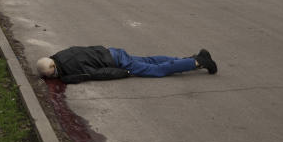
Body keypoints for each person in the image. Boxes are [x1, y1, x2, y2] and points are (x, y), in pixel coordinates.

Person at [36, 45, 217, 84]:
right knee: (150, 60)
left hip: (116, 62)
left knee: (156, 70)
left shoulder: (69, 71)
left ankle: (198, 62)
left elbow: (99, 74)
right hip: (112, 52)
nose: (53, 78)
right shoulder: (60, 54)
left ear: (53, 68)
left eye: (51, 75)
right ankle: (190, 58)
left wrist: (126, 73)